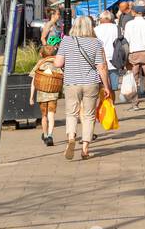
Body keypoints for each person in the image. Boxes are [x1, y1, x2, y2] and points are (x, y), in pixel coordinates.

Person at [53, 15, 112, 160]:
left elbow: (58, 63)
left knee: (71, 113)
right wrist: (106, 87)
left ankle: (71, 137)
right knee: (89, 115)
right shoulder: (96, 43)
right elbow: (102, 67)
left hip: (71, 82)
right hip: (91, 83)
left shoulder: (66, 41)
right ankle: (85, 148)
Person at [123, 5, 145, 109]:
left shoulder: (129, 24)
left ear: (134, 12)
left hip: (134, 52)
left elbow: (126, 40)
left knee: (134, 79)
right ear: (143, 13)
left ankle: (135, 103)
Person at [29, 52, 62, 146]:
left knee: (44, 116)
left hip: (41, 94)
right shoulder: (57, 62)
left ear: (41, 54)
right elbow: (62, 76)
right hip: (53, 93)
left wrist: (31, 97)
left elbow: (33, 81)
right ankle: (50, 135)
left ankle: (45, 134)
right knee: (51, 116)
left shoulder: (40, 63)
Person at [94, 9, 121, 95]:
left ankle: (103, 106)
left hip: (99, 60)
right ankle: (111, 105)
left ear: (101, 19)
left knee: (102, 87)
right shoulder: (118, 28)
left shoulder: (95, 30)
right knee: (112, 88)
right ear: (111, 18)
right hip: (115, 59)